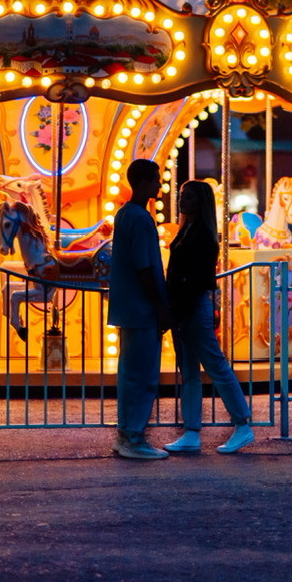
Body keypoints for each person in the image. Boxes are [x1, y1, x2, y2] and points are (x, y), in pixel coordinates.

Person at [163, 179, 255, 454]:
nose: (183, 201)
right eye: (181, 196)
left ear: (201, 202)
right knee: (189, 370)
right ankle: (191, 430)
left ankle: (242, 423)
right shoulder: (187, 229)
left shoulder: (201, 234)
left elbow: (196, 277)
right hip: (184, 304)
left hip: (192, 304)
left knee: (215, 365)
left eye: (188, 197)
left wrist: (179, 306)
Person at [107, 158, 174, 460]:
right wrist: (160, 304)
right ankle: (135, 436)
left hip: (127, 307)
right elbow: (145, 265)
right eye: (156, 179)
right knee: (145, 374)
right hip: (142, 307)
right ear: (145, 182)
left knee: (129, 372)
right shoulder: (142, 218)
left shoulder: (123, 214)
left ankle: (126, 433)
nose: (159, 184)